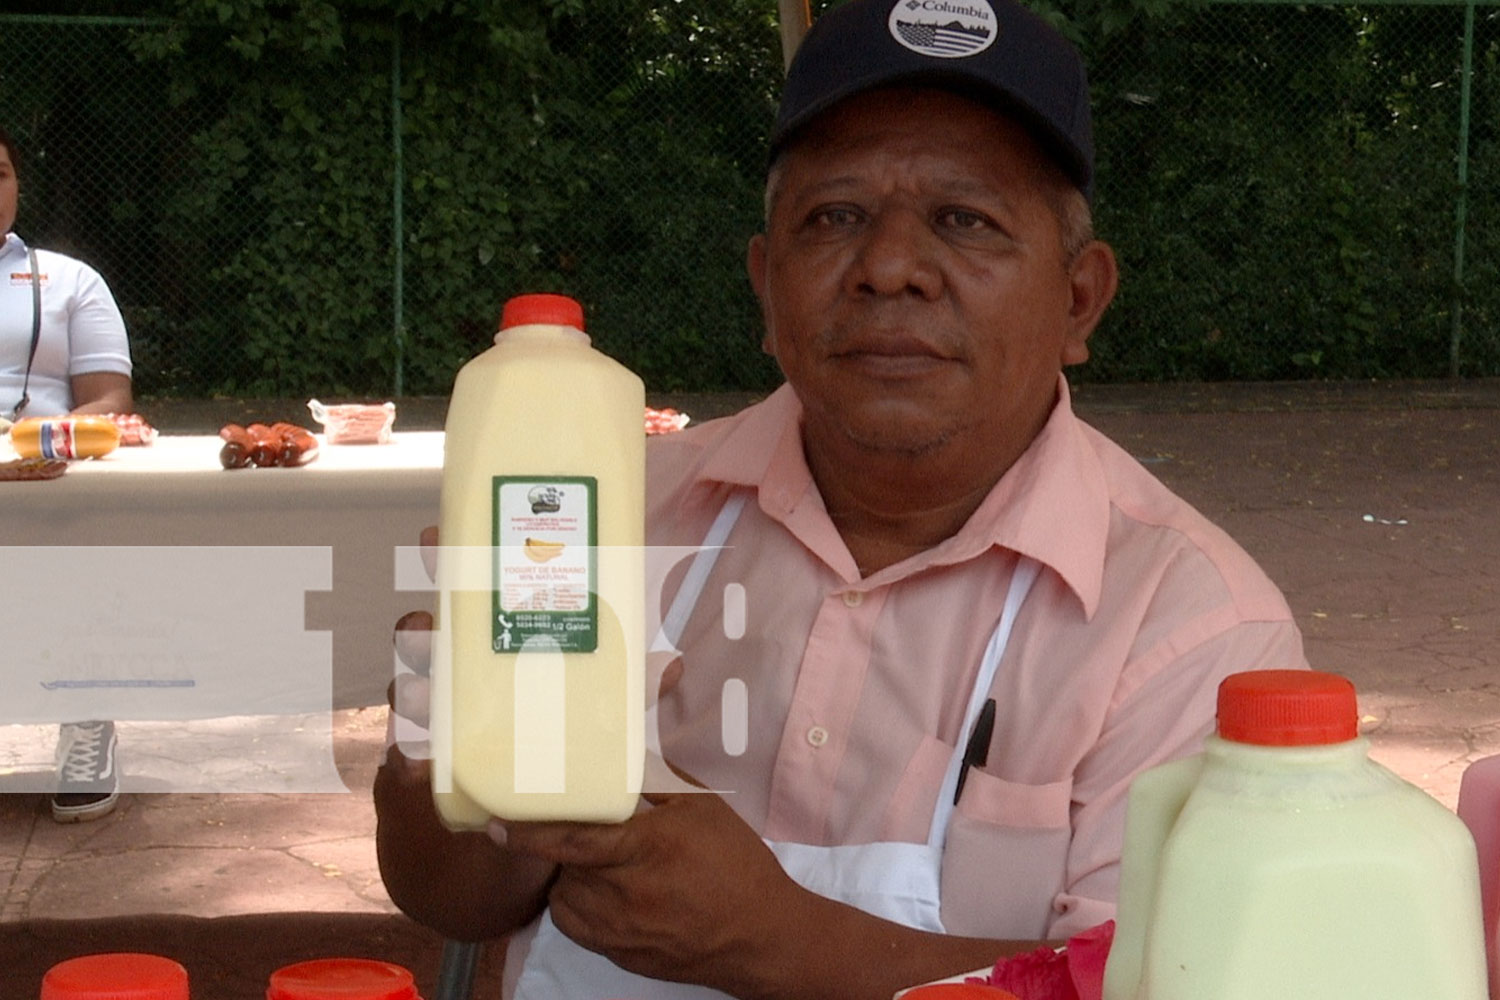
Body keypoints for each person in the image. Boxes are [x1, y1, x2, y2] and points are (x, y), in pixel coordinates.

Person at [374, 1, 1309, 996]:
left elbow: (1161, 984)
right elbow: (455, 899)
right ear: (768, 286)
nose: (890, 268)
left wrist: (782, 941)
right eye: (835, 217)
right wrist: (451, 767)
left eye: (967, 220)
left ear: (1080, 298)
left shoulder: (1191, 630)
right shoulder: (604, 518)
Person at [1, 126, 134, 823]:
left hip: (47, 471)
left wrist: (36, 445)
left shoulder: (68, 280)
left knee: (88, 520)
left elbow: (111, 402)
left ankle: (85, 715)